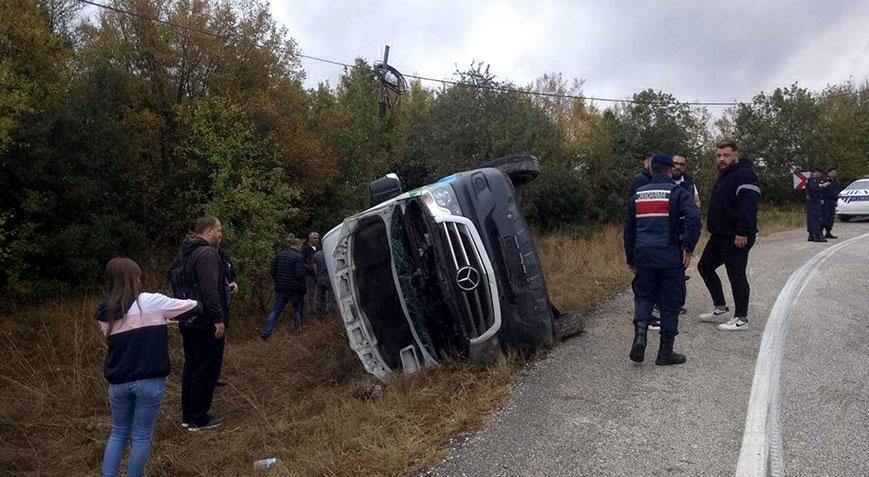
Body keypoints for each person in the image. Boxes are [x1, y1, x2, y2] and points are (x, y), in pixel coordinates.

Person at [95, 258, 200, 477]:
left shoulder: (105, 312)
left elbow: (129, 328)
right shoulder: (152, 301)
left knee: (118, 433)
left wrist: (160, 319)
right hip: (148, 381)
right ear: (134, 277)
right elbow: (193, 306)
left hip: (118, 382)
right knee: (141, 436)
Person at [624, 154, 701, 365]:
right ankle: (665, 353)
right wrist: (688, 248)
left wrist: (630, 257)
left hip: (643, 256)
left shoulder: (638, 194)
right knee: (670, 303)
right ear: (669, 170)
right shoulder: (677, 192)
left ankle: (640, 337)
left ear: (652, 170)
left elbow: (629, 229)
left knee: (644, 297)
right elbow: (694, 217)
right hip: (669, 257)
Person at [697, 140, 761, 331]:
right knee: (704, 266)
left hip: (737, 236)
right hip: (719, 236)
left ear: (736, 155)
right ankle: (721, 307)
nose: (721, 159)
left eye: (726, 155)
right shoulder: (724, 175)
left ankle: (741, 318)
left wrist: (742, 231)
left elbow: (748, 206)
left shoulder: (745, 174)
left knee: (736, 275)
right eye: (718, 155)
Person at [175, 215, 227, 431]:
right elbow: (209, 289)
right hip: (205, 320)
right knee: (206, 367)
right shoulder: (207, 254)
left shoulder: (184, 253)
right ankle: (199, 417)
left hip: (188, 317)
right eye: (218, 230)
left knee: (192, 366)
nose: (220, 234)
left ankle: (188, 415)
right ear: (208, 231)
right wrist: (217, 318)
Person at [261, 234, 307, 339]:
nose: (301, 247)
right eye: (300, 245)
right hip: (295, 289)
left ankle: (266, 332)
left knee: (276, 310)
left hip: (281, 288)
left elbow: (273, 271)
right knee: (297, 309)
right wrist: (303, 288)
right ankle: (298, 330)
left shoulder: (280, 254)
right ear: (297, 245)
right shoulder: (298, 257)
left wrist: (278, 281)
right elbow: (299, 274)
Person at [805, 167, 829, 243]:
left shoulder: (815, 180)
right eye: (820, 174)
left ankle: (812, 235)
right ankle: (817, 236)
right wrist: (822, 185)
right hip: (813, 201)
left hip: (815, 200)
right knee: (815, 218)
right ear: (816, 172)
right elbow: (814, 189)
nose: (820, 175)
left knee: (813, 218)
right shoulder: (812, 179)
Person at [312, 248, 335, 316]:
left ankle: (319, 312)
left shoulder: (316, 254)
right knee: (332, 296)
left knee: (320, 296)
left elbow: (315, 269)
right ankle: (333, 313)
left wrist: (317, 276)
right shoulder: (332, 253)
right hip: (330, 278)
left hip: (320, 278)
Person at [302, 231, 321, 311]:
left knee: (320, 292)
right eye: (314, 238)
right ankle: (312, 310)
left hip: (320, 274)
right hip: (309, 275)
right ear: (310, 239)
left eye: (317, 238)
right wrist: (309, 268)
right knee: (311, 292)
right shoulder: (305, 249)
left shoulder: (319, 248)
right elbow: (301, 261)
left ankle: (319, 308)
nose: (316, 240)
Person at [822, 166, 840, 239]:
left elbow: (836, 190)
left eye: (835, 172)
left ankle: (828, 232)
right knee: (825, 217)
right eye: (832, 172)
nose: (834, 174)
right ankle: (821, 232)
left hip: (832, 201)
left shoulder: (834, 181)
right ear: (829, 172)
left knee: (831, 217)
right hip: (826, 201)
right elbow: (821, 189)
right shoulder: (825, 179)